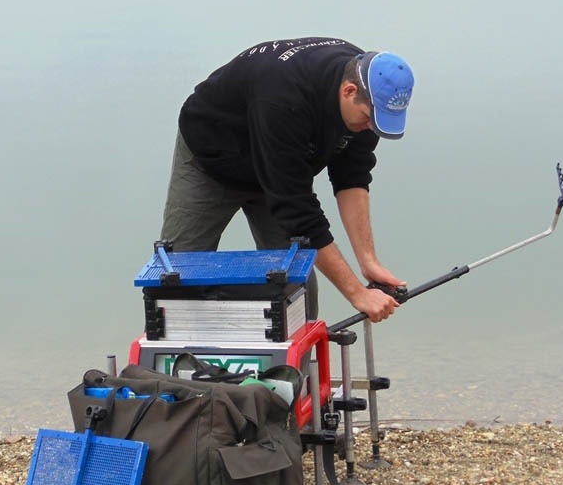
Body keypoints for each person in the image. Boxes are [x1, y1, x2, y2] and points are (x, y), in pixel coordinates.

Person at [159, 37, 414, 322]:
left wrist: (368, 262)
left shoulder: (367, 89)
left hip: (281, 168)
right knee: (176, 277)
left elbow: (352, 177)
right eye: (369, 119)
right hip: (212, 159)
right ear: (349, 90)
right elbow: (299, 211)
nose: (370, 128)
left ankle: (294, 368)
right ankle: (174, 363)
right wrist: (357, 293)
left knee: (296, 284)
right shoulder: (284, 96)